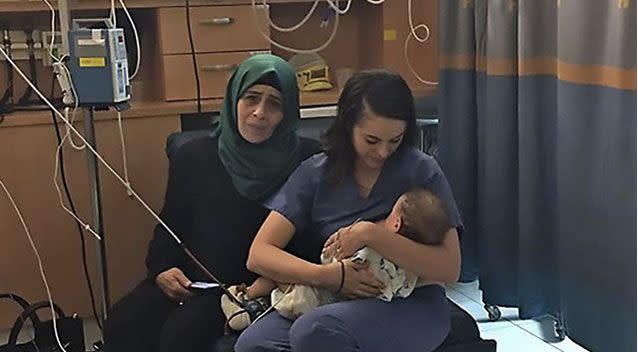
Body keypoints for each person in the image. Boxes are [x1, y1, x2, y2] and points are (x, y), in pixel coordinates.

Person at [102, 54, 321, 352]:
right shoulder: (193, 157)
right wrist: (163, 269)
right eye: (251, 98)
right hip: (191, 282)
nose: (259, 112)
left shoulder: (308, 162)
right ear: (233, 100)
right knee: (124, 320)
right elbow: (169, 227)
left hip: (254, 288)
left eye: (274, 104)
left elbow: (311, 244)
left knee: (181, 336)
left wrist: (259, 286)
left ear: (288, 112)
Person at [235, 69, 464, 352]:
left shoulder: (421, 171)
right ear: (347, 126)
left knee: (315, 330)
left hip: (411, 302)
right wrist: (330, 276)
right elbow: (259, 255)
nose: (382, 152)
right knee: (254, 344)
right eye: (371, 140)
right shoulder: (315, 174)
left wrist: (369, 234)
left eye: (394, 141)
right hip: (336, 297)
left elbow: (450, 267)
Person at [269, 188, 453, 320]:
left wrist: (342, 239)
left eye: (390, 212)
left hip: (316, 298)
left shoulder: (370, 252)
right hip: (353, 309)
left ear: (395, 223)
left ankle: (250, 297)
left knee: (277, 274)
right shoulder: (409, 275)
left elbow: (330, 259)